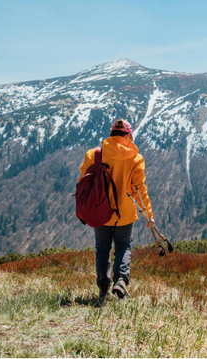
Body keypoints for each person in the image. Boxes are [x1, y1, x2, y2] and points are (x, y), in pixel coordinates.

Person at [78, 118, 155, 304]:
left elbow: (83, 181)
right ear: (128, 135)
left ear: (111, 134)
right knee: (123, 246)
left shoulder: (94, 155)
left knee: (102, 248)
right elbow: (139, 189)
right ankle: (120, 281)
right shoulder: (135, 158)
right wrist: (148, 215)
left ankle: (103, 285)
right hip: (125, 213)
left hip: (100, 211)